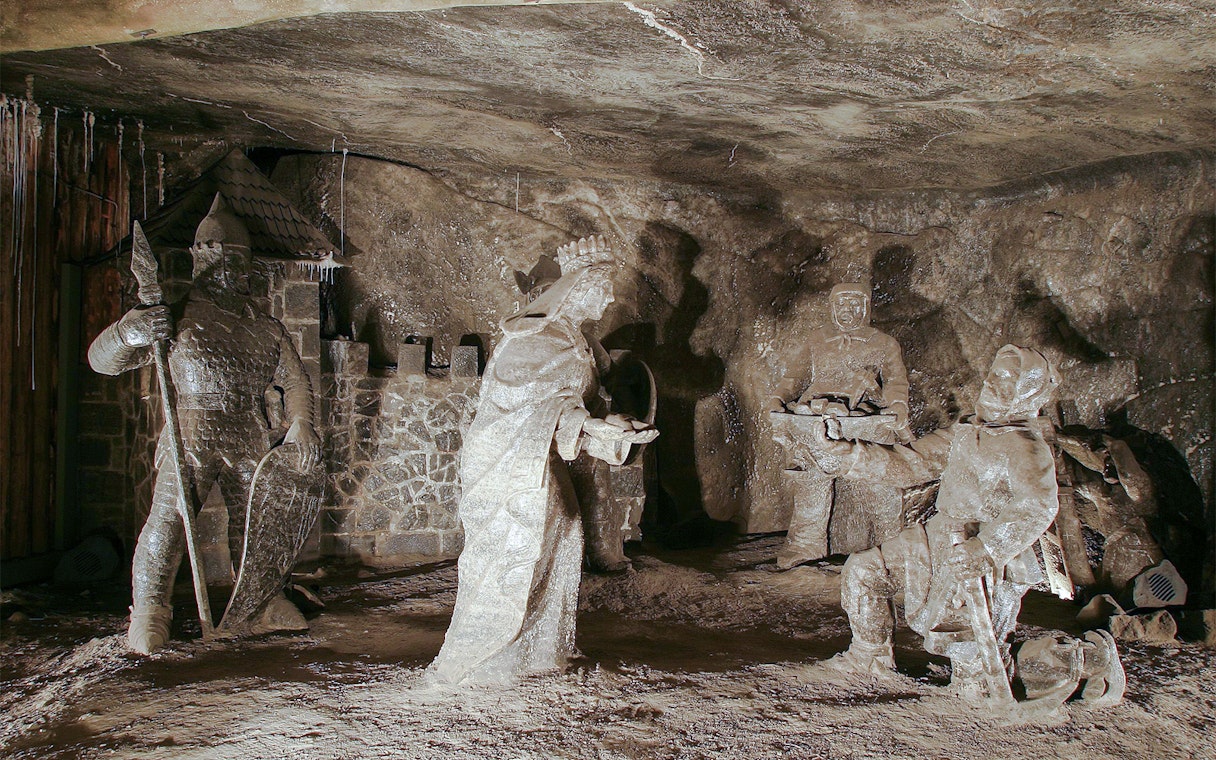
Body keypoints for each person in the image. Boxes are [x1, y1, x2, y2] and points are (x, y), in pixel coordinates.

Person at [88, 195, 321, 654]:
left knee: (259, 526)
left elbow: (295, 382)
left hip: (248, 429)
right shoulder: (173, 316)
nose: (228, 268)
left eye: (237, 259)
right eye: (218, 256)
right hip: (192, 428)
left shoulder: (266, 327)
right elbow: (101, 360)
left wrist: (301, 424)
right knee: (170, 522)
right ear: (202, 257)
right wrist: (132, 330)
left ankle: (261, 601)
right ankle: (151, 610)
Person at [428, 236, 656, 685]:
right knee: (511, 555)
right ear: (578, 286)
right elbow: (520, 406)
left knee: (565, 535)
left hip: (541, 464)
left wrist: (610, 425)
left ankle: (538, 653)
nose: (610, 297)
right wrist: (589, 426)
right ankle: (476, 663)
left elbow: (564, 407)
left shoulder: (576, 340)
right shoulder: (533, 337)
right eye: (603, 287)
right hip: (508, 467)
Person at [806, 346, 1061, 696]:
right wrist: (845, 453)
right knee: (865, 571)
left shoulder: (1025, 447)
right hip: (940, 533)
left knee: (967, 646)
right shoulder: (968, 430)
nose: (990, 383)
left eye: (1004, 379)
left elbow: (1037, 506)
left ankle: (987, 680)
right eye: (993, 374)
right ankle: (870, 657)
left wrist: (986, 549)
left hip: (983, 551)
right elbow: (913, 462)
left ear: (1026, 392)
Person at [771, 282, 911, 568]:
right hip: (816, 419)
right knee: (811, 483)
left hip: (865, 422)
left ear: (866, 308)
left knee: (879, 485)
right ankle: (805, 545)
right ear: (832, 308)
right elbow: (794, 377)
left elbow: (896, 380)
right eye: (841, 305)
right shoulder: (817, 340)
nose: (847, 311)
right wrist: (778, 398)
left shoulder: (883, 343)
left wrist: (896, 405)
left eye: (854, 305)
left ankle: (890, 547)